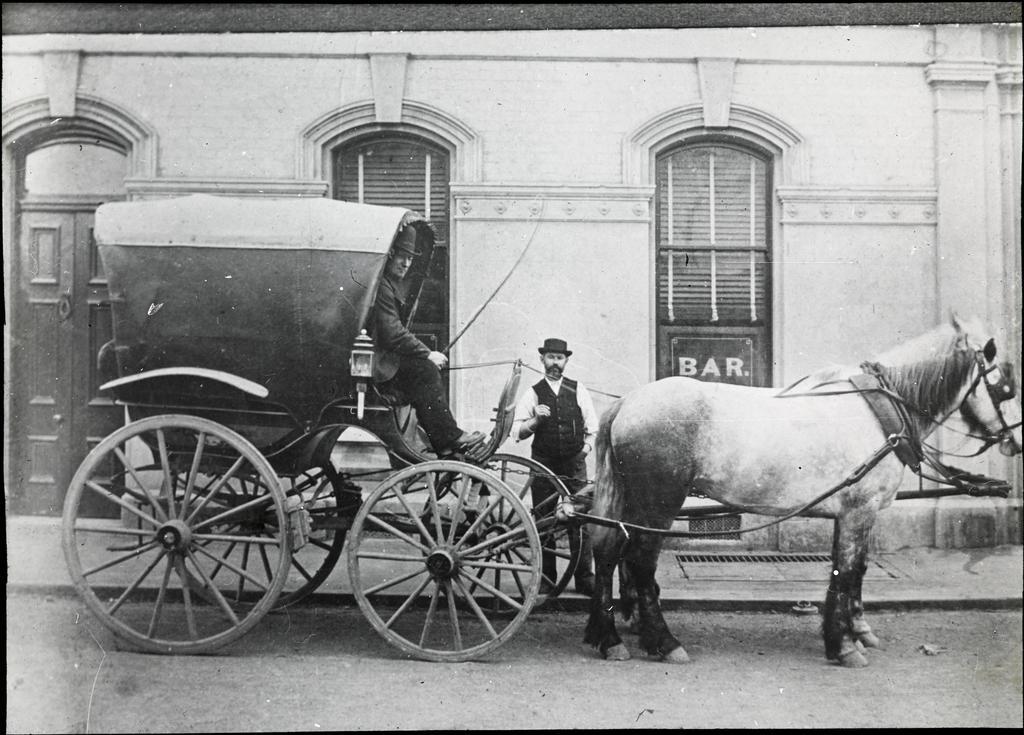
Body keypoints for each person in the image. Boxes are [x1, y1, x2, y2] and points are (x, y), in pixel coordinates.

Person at [370, 224, 485, 457]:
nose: (406, 264)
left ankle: (440, 440)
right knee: (424, 371)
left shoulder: (388, 286)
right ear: (390, 256)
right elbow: (392, 333)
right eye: (401, 257)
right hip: (377, 366)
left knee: (423, 372)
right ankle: (446, 438)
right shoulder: (382, 287)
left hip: (383, 361)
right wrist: (426, 353)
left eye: (410, 259)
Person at [511, 337, 598, 595]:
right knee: (545, 518)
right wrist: (536, 421)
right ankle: (547, 578)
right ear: (542, 359)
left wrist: (584, 450)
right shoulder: (533, 392)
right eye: (550, 358)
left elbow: (592, 428)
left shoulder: (577, 389)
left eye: (559, 358)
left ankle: (584, 578)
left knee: (580, 519)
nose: (555, 363)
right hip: (544, 463)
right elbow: (517, 430)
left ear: (566, 361)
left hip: (574, 464)